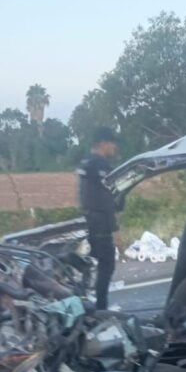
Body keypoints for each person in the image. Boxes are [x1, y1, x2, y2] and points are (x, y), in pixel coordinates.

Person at [78, 126, 122, 310]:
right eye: (113, 143)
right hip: (101, 223)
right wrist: (116, 229)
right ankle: (101, 308)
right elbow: (106, 200)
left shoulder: (85, 162)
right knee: (107, 264)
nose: (115, 148)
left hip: (88, 220)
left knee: (89, 263)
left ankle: (83, 302)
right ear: (104, 143)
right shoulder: (100, 165)